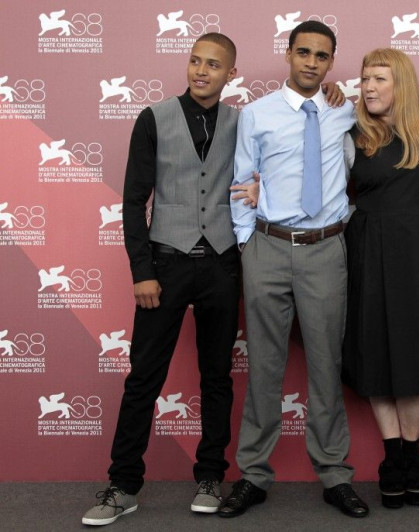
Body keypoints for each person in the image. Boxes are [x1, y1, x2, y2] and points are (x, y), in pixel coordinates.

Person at [82, 33, 242, 526]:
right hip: (166, 263)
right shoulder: (153, 118)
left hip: (222, 263)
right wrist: (142, 271)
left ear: (229, 74)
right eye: (195, 60)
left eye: (213, 65)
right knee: (143, 379)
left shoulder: (244, 121)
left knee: (217, 377)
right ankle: (123, 485)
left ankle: (211, 476)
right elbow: (134, 201)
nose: (201, 70)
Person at [220, 21, 369, 519]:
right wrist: (246, 244)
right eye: (303, 52)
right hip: (268, 247)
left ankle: (334, 474)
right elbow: (242, 181)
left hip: (326, 250)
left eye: (321, 56)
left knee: (326, 365)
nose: (311, 62)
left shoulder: (343, 109)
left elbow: (398, 116)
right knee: (264, 367)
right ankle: (253, 476)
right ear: (288, 54)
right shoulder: (256, 115)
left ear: (332, 62)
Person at [340, 48, 419, 510]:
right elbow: (322, 189)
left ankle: (412, 453)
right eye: (365, 77)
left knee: (415, 353)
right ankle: (392, 456)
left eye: (379, 79)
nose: (368, 86)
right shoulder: (349, 134)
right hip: (368, 248)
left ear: (400, 84)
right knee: (376, 350)